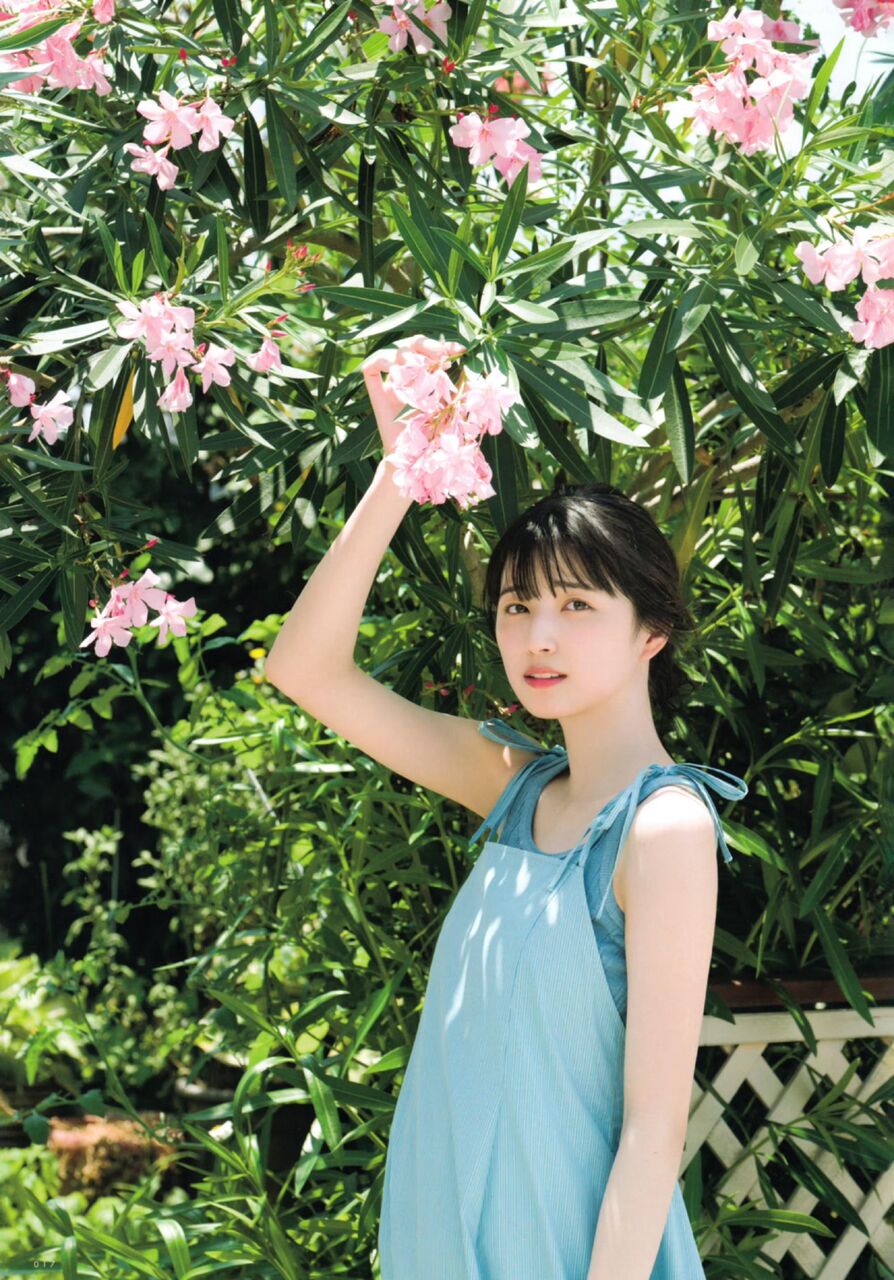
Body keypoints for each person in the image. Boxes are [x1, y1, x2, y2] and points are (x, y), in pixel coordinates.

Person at [265, 336, 750, 1279]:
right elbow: (306, 669)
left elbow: (654, 1132)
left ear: (652, 631)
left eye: (577, 606)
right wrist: (401, 472)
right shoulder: (513, 782)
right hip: (439, 1237)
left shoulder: (664, 828)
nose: (538, 637)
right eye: (517, 606)